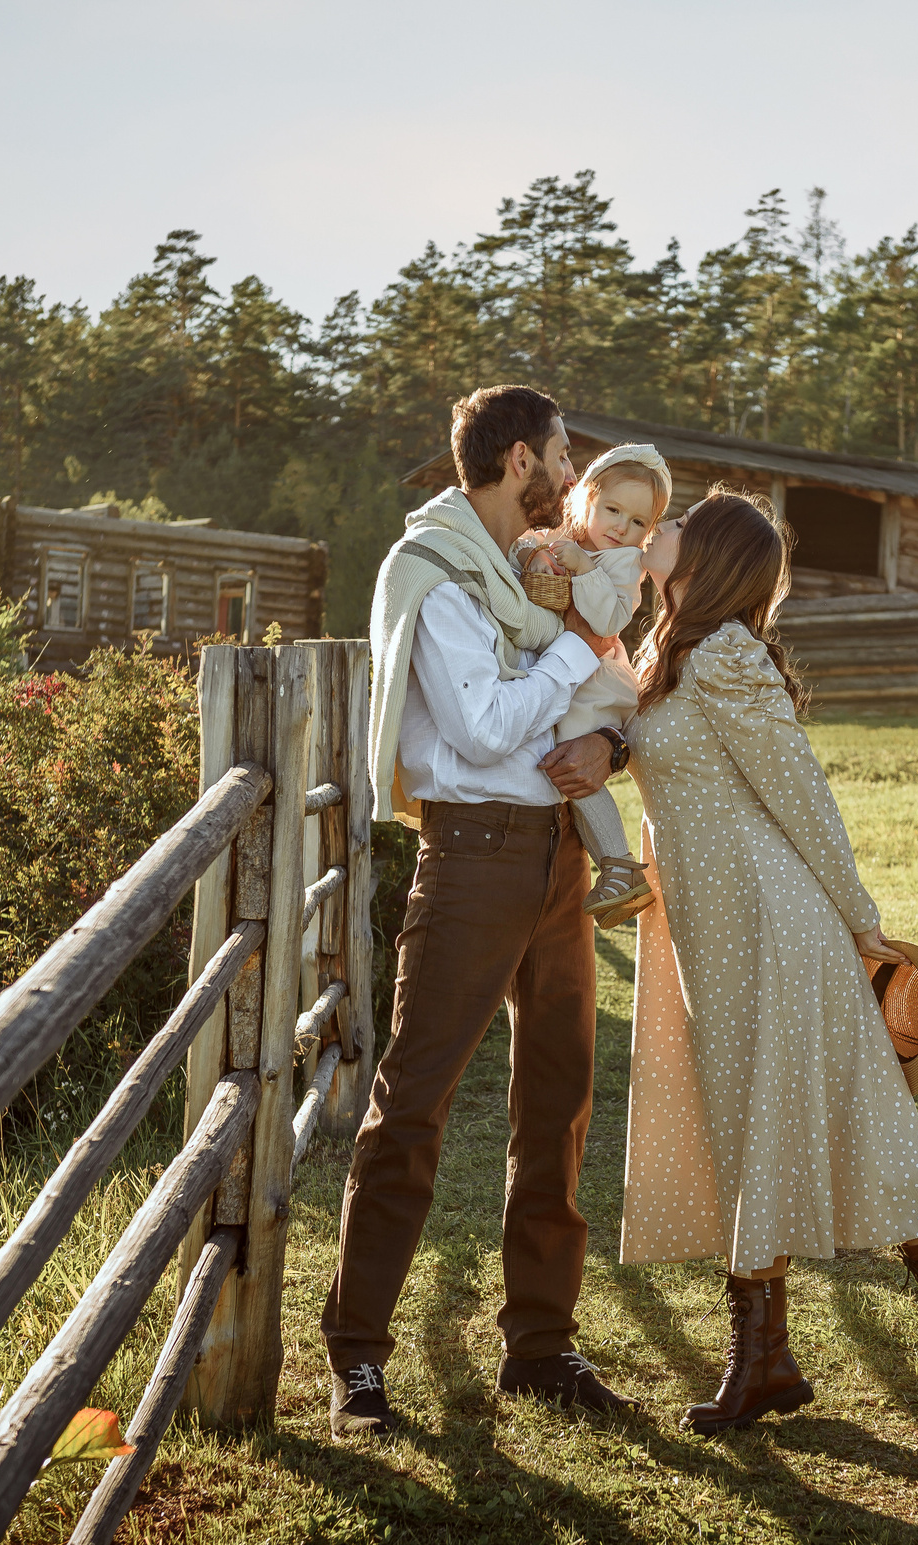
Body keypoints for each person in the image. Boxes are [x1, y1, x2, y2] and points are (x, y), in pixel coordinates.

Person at [617, 489, 918, 1434]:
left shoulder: (724, 655)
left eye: (675, 525)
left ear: (708, 559)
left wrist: (859, 916)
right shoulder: (667, 651)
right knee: (755, 1125)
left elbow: (800, 790)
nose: (656, 529)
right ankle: (791, 1352)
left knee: (839, 1122)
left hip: (771, 924)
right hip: (716, 931)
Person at [323, 384, 637, 1440]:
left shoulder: (534, 574)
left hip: (557, 855)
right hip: (473, 857)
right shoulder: (437, 574)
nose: (573, 475)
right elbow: (489, 724)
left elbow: (592, 704)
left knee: (559, 1104)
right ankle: (358, 1358)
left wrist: (609, 743)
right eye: (562, 453)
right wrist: (576, 645)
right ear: (519, 462)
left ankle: (540, 1346)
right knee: (414, 1101)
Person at [512, 443, 672, 928]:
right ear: (588, 499)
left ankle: (619, 865)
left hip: (596, 682)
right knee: (562, 766)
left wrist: (583, 570)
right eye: (613, 510)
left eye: (638, 522)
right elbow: (520, 544)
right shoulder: (565, 536)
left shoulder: (623, 563)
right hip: (571, 673)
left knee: (572, 765)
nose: (621, 528)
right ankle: (616, 867)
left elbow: (608, 619)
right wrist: (537, 555)